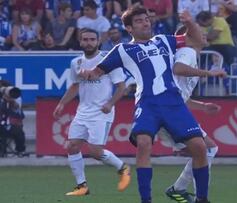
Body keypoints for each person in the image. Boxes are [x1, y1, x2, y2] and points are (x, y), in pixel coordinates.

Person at [78, 7, 226, 203]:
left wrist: (190, 22)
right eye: (139, 21)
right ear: (129, 28)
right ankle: (146, 200)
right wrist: (88, 73)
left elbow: (196, 40)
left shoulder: (164, 40)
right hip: (147, 102)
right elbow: (98, 71)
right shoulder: (123, 50)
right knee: (144, 143)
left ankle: (202, 199)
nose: (145, 23)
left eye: (146, 19)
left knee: (200, 147)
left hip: (173, 101)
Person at [53, 28, 130, 196]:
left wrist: (110, 103)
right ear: (80, 42)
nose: (88, 42)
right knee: (72, 146)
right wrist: (61, 104)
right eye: (85, 39)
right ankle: (82, 186)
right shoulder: (76, 63)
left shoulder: (108, 60)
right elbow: (75, 86)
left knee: (95, 152)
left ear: (98, 41)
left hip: (101, 112)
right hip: (83, 111)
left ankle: (123, 168)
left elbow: (122, 87)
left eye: (92, 39)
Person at [163, 26, 220, 203]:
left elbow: (182, 96)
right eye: (198, 32)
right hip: (169, 112)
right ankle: (197, 197)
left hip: (173, 109)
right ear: (187, 37)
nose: (203, 34)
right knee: (206, 150)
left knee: (207, 149)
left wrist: (202, 106)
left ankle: (179, 189)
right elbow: (178, 69)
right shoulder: (187, 51)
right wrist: (207, 73)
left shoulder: (190, 55)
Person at [0, 80, 27, 157]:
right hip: (2, 124)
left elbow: (16, 108)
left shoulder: (16, 97)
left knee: (18, 131)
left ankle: (20, 151)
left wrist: (9, 100)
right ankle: (2, 151)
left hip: (13, 125)